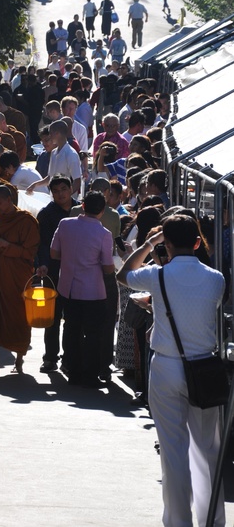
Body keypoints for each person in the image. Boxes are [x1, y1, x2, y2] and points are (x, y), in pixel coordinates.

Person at [116, 215, 226, 527]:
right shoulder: (216, 279)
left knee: (173, 450)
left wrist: (150, 243)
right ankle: (212, 521)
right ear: (197, 242)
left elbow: (124, 274)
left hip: (166, 365)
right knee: (207, 450)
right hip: (203, 366)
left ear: (167, 242)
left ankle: (178, 522)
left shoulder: (157, 275)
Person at [50, 191, 115, 387]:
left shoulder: (65, 224)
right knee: (93, 333)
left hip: (68, 287)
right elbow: (107, 267)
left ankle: (73, 371)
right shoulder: (104, 234)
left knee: (71, 329)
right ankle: (90, 375)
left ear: (83, 206)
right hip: (93, 291)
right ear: (102, 211)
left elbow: (54, 253)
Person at [0, 186, 40, 373]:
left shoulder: (26, 221)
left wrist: (7, 246)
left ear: (9, 200)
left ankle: (19, 360)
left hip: (17, 276)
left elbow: (29, 253)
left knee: (18, 317)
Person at [36, 176, 79, 373]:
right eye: (56, 191)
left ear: (71, 189)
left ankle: (70, 358)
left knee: (73, 317)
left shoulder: (81, 211)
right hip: (53, 270)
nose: (61, 193)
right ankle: (50, 357)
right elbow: (42, 243)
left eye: (64, 189)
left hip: (78, 272)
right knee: (51, 317)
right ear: (51, 193)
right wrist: (42, 264)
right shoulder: (46, 215)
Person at [26, 120, 82, 196]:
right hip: (54, 198)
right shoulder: (53, 153)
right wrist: (35, 185)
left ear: (57, 134)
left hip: (67, 202)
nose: (49, 136)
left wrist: (66, 196)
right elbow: (50, 177)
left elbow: (77, 180)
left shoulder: (71, 154)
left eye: (50, 133)